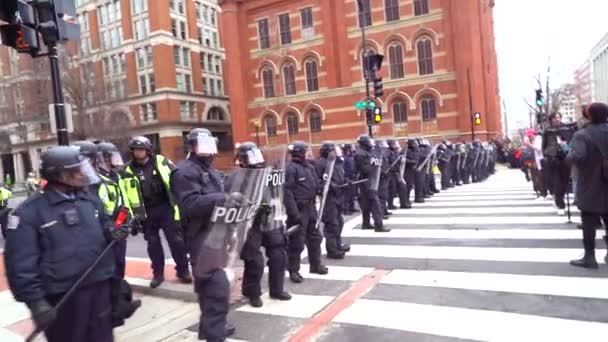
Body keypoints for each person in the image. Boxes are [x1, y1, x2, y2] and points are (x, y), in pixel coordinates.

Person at [4, 146, 129, 342]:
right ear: (60, 175)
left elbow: (104, 223)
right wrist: (36, 302)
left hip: (99, 288)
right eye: (77, 170)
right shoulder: (29, 213)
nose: (83, 174)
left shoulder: (88, 199)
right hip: (64, 297)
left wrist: (112, 231)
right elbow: (20, 264)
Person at [171, 128, 236, 341]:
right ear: (191, 147)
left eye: (211, 145)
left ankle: (208, 330)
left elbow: (223, 200)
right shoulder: (184, 172)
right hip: (200, 236)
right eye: (203, 145)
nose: (208, 150)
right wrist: (222, 198)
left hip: (218, 233)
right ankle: (214, 334)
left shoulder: (214, 171)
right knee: (216, 289)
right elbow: (190, 204)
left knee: (212, 291)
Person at [121, 136, 191, 288]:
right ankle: (158, 274)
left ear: (148, 150)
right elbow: (124, 194)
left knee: (176, 241)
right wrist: (132, 217)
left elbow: (176, 177)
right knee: (153, 245)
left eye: (141, 149)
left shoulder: (161, 161)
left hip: (166, 208)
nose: (138, 152)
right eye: (135, 150)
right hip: (146, 212)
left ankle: (183, 270)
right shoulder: (126, 170)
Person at [236, 142, 292, 307]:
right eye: (250, 156)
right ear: (242, 159)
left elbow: (278, 192)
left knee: (278, 255)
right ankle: (252, 293)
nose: (255, 160)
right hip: (249, 223)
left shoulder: (268, 174)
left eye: (256, 155)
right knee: (254, 260)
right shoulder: (237, 177)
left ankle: (277, 289)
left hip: (270, 219)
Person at [567, 103, 608, 269]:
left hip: (591, 183)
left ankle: (589, 257)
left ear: (589, 116)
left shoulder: (582, 135)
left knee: (589, 221)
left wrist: (567, 154)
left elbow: (577, 157)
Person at [283, 141, 328, 283]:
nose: (307, 153)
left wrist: (320, 188)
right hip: (299, 209)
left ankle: (315, 265)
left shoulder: (309, 167)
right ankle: (294, 271)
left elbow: (315, 183)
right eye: (305, 151)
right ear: (299, 153)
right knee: (297, 242)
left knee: (315, 237)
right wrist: (293, 213)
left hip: (311, 207)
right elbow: (287, 192)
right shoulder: (291, 169)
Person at [315, 141, 350, 259]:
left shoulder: (336, 162)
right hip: (329, 198)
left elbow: (340, 175)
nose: (336, 152)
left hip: (339, 196)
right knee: (332, 224)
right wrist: (330, 186)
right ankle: (332, 250)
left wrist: (345, 181)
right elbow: (317, 182)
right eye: (333, 150)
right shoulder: (320, 164)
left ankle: (337, 244)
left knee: (339, 222)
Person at [355, 135, 389, 232]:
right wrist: (375, 163)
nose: (371, 143)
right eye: (369, 141)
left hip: (370, 181)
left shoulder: (367, 152)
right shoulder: (360, 154)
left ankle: (366, 223)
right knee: (375, 204)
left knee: (366, 204)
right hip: (366, 181)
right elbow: (365, 169)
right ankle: (378, 225)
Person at [542, 113, 571, 215]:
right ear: (551, 120)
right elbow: (544, 145)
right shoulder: (547, 130)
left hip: (565, 157)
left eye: (558, 117)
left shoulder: (566, 128)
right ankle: (560, 204)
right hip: (552, 158)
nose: (557, 120)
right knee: (557, 182)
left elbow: (571, 141)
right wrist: (546, 154)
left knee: (564, 182)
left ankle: (561, 198)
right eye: (554, 118)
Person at [342, 143, 358, 214]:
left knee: (352, 194)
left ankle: (352, 207)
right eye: (352, 147)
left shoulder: (351, 157)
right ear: (348, 149)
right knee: (347, 195)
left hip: (353, 177)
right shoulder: (344, 158)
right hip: (347, 178)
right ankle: (345, 209)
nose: (353, 149)